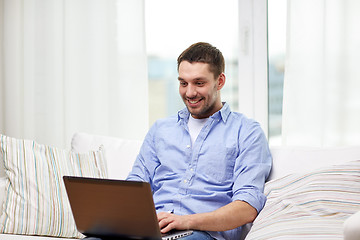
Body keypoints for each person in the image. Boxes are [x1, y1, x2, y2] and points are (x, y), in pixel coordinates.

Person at [127, 42, 272, 240]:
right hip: (152, 230)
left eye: (199, 83)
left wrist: (185, 221)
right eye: (183, 83)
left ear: (220, 81)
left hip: (202, 234)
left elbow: (247, 208)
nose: (189, 93)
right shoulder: (161, 129)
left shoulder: (246, 132)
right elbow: (134, 187)